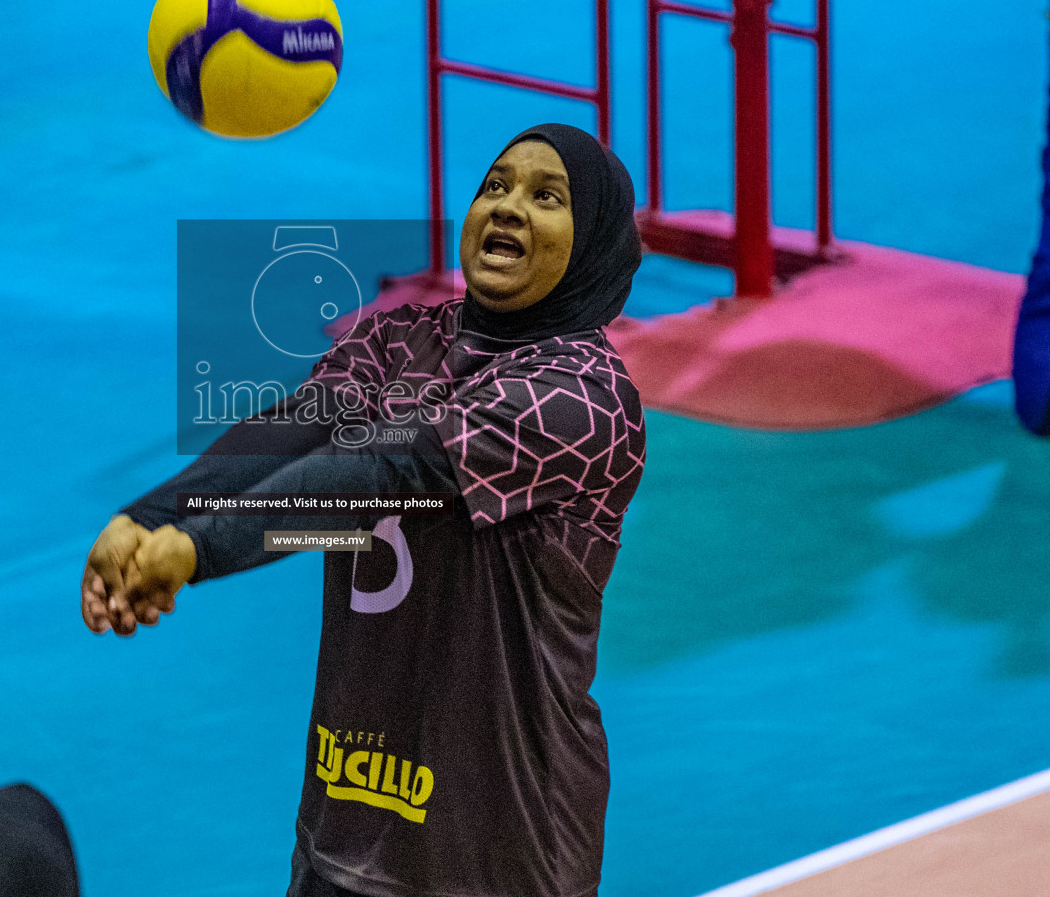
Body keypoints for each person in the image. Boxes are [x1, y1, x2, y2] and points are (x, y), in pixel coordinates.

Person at [82, 124, 646, 897]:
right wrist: (152, 517)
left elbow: (383, 469)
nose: (509, 207)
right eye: (495, 186)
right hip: (351, 813)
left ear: (593, 246)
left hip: (499, 842)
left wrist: (197, 549)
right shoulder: (401, 339)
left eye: (546, 197)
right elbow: (295, 432)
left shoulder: (580, 397)